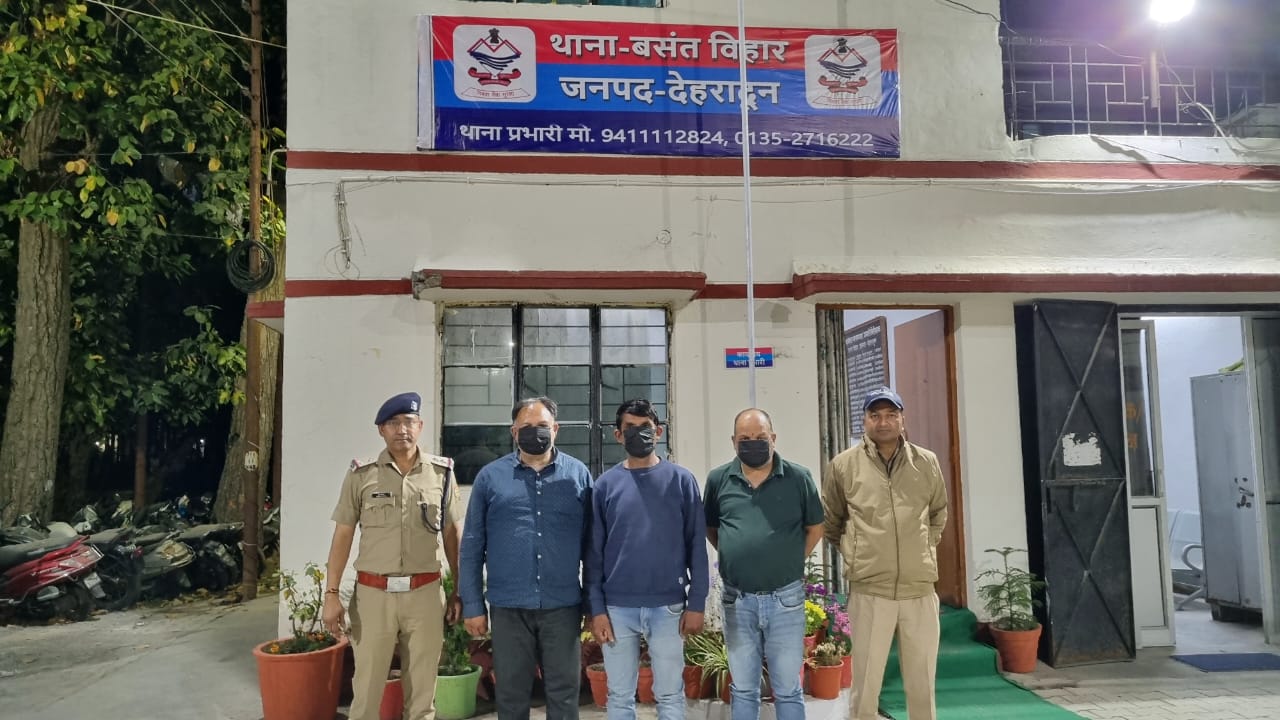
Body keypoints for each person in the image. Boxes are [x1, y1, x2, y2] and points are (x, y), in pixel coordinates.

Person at [321, 391, 464, 720]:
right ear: (381, 430)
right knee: (367, 693)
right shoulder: (361, 475)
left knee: (423, 696)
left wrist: (459, 589)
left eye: (409, 422)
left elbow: (452, 535)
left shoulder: (441, 474)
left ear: (420, 426)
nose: (402, 429)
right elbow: (342, 536)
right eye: (393, 423)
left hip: (425, 595)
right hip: (374, 597)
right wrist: (331, 594)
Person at [459, 397, 593, 720]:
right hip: (509, 607)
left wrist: (593, 605)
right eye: (527, 427)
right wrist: (473, 605)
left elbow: (592, 547)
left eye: (543, 426)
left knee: (565, 695)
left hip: (562, 606)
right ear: (514, 431)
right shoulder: (490, 478)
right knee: (510, 695)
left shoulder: (578, 475)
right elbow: (472, 545)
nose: (536, 432)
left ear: (555, 429)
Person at [822, 387, 948, 720]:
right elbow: (832, 522)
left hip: (919, 590)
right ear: (864, 420)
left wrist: (924, 546)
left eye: (891, 414)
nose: (883, 422)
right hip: (870, 592)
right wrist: (856, 553)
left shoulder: (926, 462)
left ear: (902, 419)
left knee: (922, 684)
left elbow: (939, 512)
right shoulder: (844, 465)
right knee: (865, 685)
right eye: (875, 415)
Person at [586, 399, 708, 720]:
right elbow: (593, 554)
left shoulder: (681, 481)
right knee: (619, 696)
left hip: (668, 607)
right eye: (630, 428)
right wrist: (596, 609)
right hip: (617, 609)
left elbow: (696, 545)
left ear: (659, 432)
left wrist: (697, 602)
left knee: (670, 695)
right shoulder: (604, 486)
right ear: (617, 435)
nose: (638, 433)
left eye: (645, 427)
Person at [703, 408, 824, 720]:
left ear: (774, 438)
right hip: (737, 600)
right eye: (745, 438)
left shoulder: (799, 477)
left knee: (788, 688)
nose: (753, 443)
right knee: (743, 688)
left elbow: (815, 527)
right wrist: (736, 553)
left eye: (760, 437)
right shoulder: (718, 479)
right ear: (733, 441)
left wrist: (790, 559)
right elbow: (712, 528)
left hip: (785, 599)